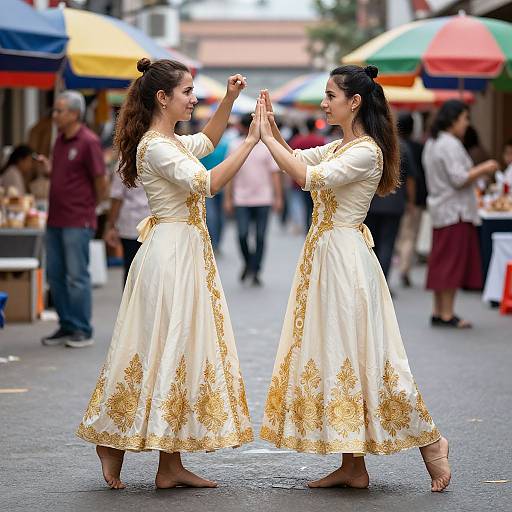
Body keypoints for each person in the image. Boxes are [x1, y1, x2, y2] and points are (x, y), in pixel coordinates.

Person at [258, 66, 451, 492]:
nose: (324, 103)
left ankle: (432, 442)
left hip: (345, 261)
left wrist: (268, 138)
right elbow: (301, 158)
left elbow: (305, 177)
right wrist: (270, 129)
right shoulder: (341, 147)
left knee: (371, 358)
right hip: (326, 259)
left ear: (354, 102)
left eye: (330, 95)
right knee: (338, 358)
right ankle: (352, 464)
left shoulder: (366, 151)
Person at [76, 58, 256, 490]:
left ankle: (168, 464)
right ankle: (116, 444)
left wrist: (229, 100)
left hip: (183, 251)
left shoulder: (170, 142)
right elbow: (207, 184)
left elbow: (209, 142)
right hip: (170, 255)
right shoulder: (154, 146)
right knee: (160, 348)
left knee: (176, 351)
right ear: (163, 97)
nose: (193, 98)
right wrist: (250, 144)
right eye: (187, 92)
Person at [422, 100, 498, 328]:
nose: (467, 124)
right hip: (455, 211)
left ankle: (439, 310)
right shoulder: (450, 144)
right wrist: (485, 168)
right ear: (454, 119)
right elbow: (459, 178)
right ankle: (447, 313)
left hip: (441, 208)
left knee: (442, 261)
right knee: (451, 263)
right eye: (465, 118)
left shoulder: (433, 143)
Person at [40, 91, 108, 348]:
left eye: (59, 111)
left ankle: (82, 328)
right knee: (56, 275)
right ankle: (66, 324)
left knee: (76, 276)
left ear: (75, 114)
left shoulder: (88, 141)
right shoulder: (59, 141)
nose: (55, 115)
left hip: (77, 218)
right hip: (55, 217)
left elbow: (100, 179)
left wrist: (95, 207)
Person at [224, 113, 283, 286]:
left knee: (260, 237)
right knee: (242, 235)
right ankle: (249, 263)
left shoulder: (267, 147)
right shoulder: (235, 145)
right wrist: (228, 199)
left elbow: (275, 175)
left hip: (263, 199)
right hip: (241, 199)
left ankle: (255, 270)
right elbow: (230, 174)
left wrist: (278, 197)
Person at [364, 136, 416, 282]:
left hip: (372, 202)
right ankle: (382, 283)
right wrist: (411, 201)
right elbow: (410, 178)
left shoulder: (370, 144)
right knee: (387, 243)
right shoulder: (402, 146)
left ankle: (371, 281)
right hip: (394, 203)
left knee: (371, 244)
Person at [395, 113, 427, 287]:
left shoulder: (393, 146)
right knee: (410, 235)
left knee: (400, 236)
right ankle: (404, 269)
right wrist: (413, 201)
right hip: (414, 198)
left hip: (394, 197)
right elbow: (414, 177)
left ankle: (402, 263)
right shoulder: (419, 147)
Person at [103, 170, 150, 285]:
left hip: (131, 224)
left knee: (131, 269)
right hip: (151, 221)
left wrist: (111, 226)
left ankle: (131, 302)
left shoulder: (124, 160)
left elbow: (117, 196)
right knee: (150, 270)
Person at [289, 117, 326, 232]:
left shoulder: (298, 140)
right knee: (315, 205)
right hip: (318, 179)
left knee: (303, 205)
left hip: (300, 179)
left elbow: (291, 158)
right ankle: (314, 226)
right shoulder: (320, 141)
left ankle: (306, 228)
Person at [201, 132, 230, 252]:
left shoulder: (226, 144)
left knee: (221, 217)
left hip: (223, 185)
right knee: (211, 217)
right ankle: (212, 242)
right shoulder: (204, 146)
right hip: (207, 185)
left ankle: (217, 242)